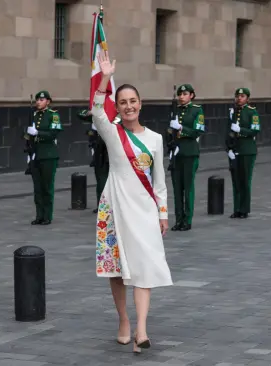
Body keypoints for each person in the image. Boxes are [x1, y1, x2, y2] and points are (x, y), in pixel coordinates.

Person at [91, 50, 172, 354]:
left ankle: (142, 328)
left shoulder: (155, 139)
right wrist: (106, 79)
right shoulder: (113, 134)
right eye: (123, 102)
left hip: (145, 210)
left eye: (132, 101)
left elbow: (160, 180)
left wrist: (163, 214)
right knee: (116, 269)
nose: (128, 106)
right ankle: (124, 320)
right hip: (115, 207)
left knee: (145, 266)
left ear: (140, 105)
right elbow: (97, 110)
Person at [168, 84, 206, 231]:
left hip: (190, 152)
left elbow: (198, 130)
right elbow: (169, 131)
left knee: (188, 187)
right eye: (180, 94)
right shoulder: (175, 110)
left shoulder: (197, 110)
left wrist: (181, 128)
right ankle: (178, 220)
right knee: (177, 189)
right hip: (176, 154)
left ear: (191, 95)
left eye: (185, 94)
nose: (181, 97)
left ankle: (187, 220)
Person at [26, 90, 63, 226]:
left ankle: (47, 216)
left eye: (41, 100)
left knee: (47, 187)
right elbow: (28, 136)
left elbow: (54, 133)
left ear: (48, 101)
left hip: (48, 155)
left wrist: (38, 133)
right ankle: (39, 215)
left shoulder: (53, 115)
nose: (38, 102)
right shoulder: (33, 115)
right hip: (35, 155)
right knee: (38, 188)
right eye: (37, 100)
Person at [226, 88, 260, 219]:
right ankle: (237, 208)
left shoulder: (252, 112)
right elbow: (227, 132)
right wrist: (228, 149)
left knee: (245, 180)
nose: (239, 98)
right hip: (235, 150)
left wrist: (241, 130)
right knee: (236, 181)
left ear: (247, 98)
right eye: (237, 96)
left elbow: (255, 130)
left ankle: (244, 209)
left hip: (247, 150)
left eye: (242, 96)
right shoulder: (232, 112)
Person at [79, 109, 120, 213]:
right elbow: (80, 114)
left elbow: (117, 123)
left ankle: (113, 205)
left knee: (113, 181)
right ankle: (101, 205)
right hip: (98, 151)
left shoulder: (116, 114)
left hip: (111, 151)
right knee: (100, 180)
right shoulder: (97, 113)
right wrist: (91, 112)